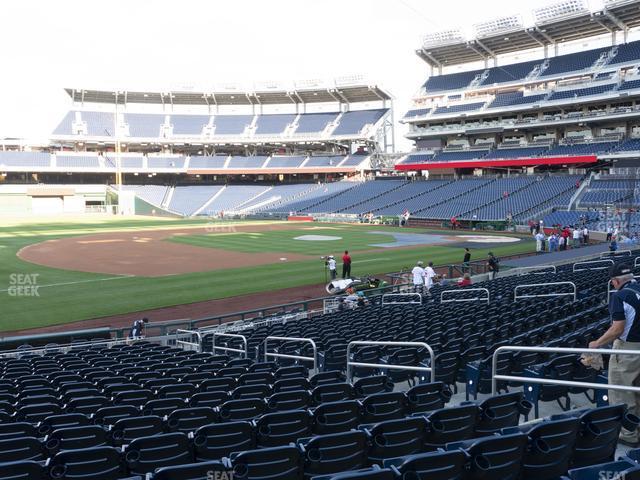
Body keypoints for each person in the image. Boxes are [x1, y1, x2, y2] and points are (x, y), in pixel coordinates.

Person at [589, 264, 640, 446]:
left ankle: (628, 435)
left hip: (628, 349)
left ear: (616, 281)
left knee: (622, 393)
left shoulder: (619, 295)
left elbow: (617, 329)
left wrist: (596, 344)